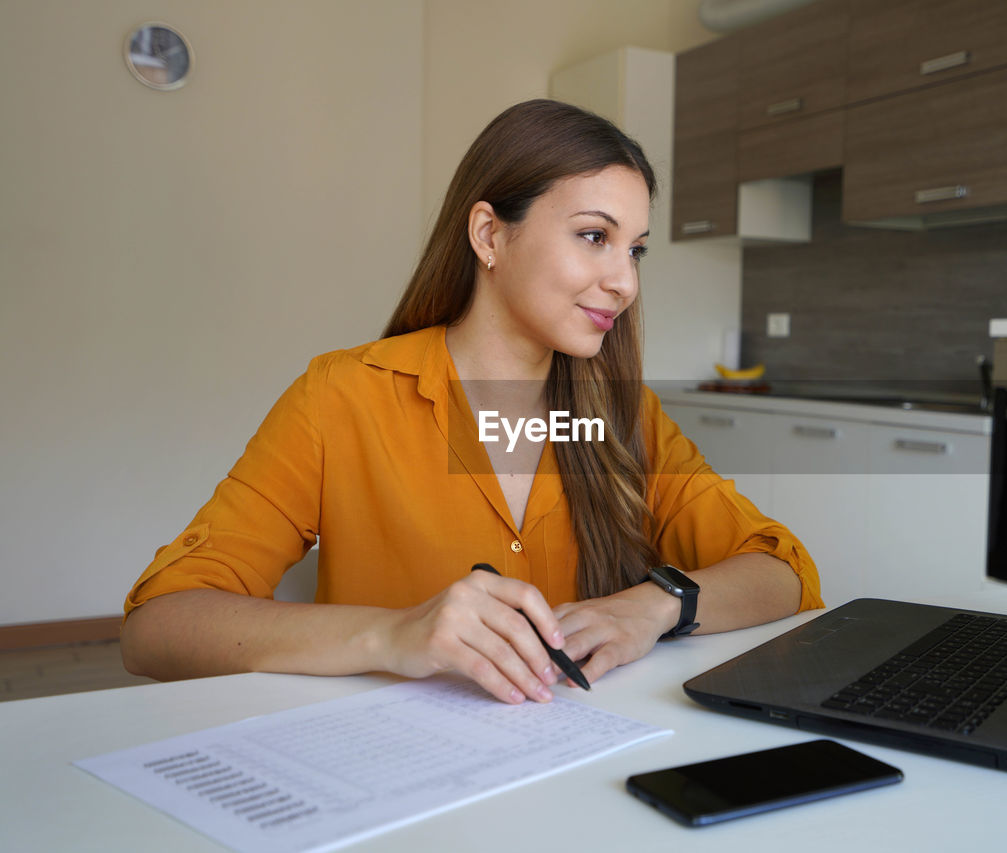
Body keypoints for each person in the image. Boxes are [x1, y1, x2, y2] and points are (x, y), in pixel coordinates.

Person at [120, 99, 822, 704]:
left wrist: (656, 604)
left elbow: (782, 571)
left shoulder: (625, 417)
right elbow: (158, 625)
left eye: (634, 250)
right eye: (593, 236)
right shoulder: (342, 396)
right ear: (490, 234)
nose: (624, 282)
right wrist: (391, 633)